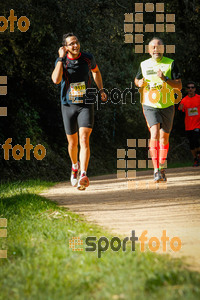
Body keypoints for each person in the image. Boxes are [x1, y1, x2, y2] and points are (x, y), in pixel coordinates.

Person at [52, 33, 106, 190]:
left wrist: (101, 89)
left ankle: (83, 173)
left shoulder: (88, 58)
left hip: (86, 103)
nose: (75, 45)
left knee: (84, 139)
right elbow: (56, 80)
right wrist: (61, 59)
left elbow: (96, 72)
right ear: (65, 47)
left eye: (77, 42)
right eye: (71, 44)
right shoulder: (62, 61)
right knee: (72, 143)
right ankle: (74, 166)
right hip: (68, 105)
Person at [134, 37, 182, 182]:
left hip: (167, 105)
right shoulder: (143, 64)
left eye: (159, 47)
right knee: (154, 132)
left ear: (163, 49)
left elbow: (179, 86)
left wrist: (165, 79)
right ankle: (156, 170)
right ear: (149, 51)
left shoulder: (171, 63)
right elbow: (136, 80)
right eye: (153, 47)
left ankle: (162, 166)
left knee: (164, 137)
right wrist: (139, 83)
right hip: (149, 104)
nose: (156, 49)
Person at [178, 81, 200, 166]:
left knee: (196, 139)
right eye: (189, 88)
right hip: (188, 125)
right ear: (187, 89)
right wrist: (180, 109)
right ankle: (195, 158)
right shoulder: (184, 100)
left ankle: (198, 156)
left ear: (194, 89)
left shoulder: (199, 98)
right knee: (192, 143)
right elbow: (180, 113)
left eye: (192, 87)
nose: (191, 89)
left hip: (198, 124)